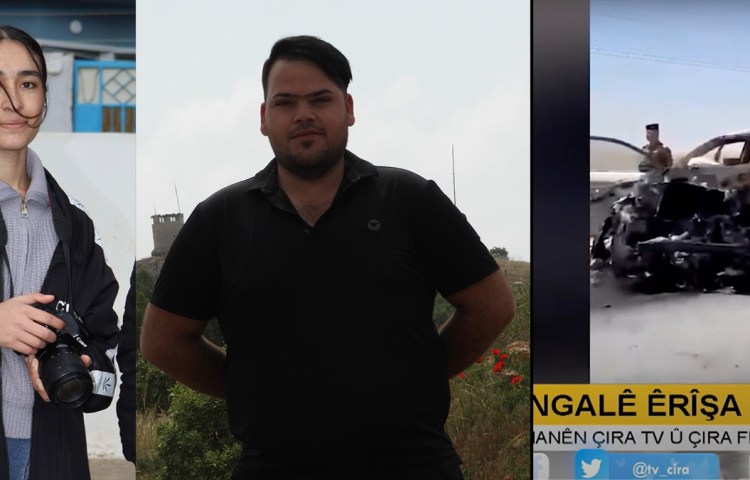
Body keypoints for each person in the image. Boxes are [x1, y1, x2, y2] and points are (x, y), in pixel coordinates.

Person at [141, 35, 515, 480]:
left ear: (349, 109)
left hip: (414, 464)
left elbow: (492, 306)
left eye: (321, 99)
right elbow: (162, 341)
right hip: (272, 467)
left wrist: (418, 378)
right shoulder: (219, 219)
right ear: (264, 118)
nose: (304, 114)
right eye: (285, 103)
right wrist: (251, 389)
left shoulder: (408, 199)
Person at [0, 26, 120, 480]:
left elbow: (105, 341)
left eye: (27, 84)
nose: (13, 101)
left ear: (44, 99)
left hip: (54, 452)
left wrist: (86, 373)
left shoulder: (74, 226)